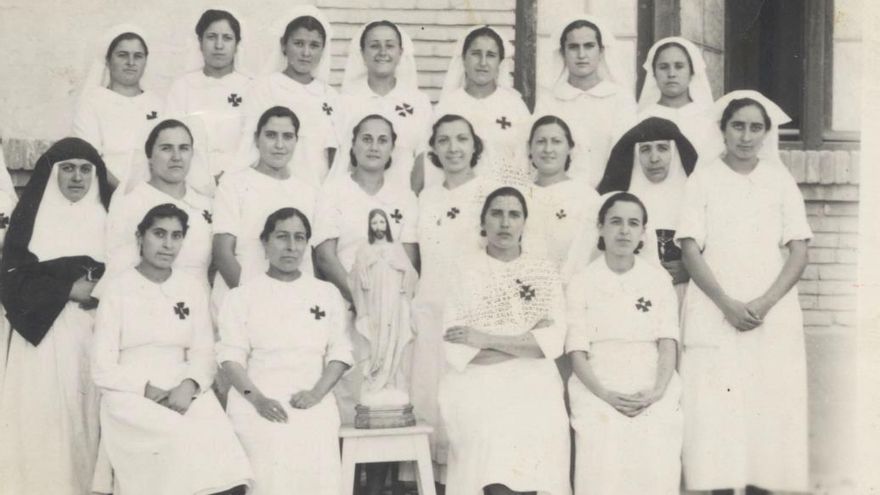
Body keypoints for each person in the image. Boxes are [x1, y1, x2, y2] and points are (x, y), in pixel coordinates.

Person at [676, 91, 812, 494]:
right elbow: (689, 248)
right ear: (723, 130)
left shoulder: (780, 181)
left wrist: (764, 303)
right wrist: (726, 304)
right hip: (716, 307)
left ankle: (761, 486)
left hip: (770, 310)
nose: (746, 136)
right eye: (738, 126)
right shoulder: (703, 179)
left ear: (767, 132)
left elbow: (799, 251)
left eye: (755, 128)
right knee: (716, 408)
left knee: (766, 404)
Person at [92, 204, 252, 495]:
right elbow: (102, 368)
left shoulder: (191, 287)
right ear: (140, 237)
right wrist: (147, 389)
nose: (168, 244)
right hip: (130, 392)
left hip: (183, 385)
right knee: (180, 440)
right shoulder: (118, 288)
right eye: (159, 234)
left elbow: (204, 352)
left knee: (225, 451)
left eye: (176, 236)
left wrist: (189, 385)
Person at [440, 186, 570, 495]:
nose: (505, 223)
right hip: (477, 381)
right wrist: (527, 339)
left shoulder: (543, 271)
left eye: (514, 214)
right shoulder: (463, 271)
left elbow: (552, 343)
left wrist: (483, 338)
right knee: (493, 440)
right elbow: (458, 348)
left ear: (525, 222)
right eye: (496, 213)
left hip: (536, 381)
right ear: (483, 221)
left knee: (539, 435)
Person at [313, 113, 419, 494]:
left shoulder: (404, 197)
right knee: (346, 395)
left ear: (392, 149)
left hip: (390, 314)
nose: (374, 146)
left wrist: (386, 306)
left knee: (383, 394)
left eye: (382, 140)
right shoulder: (334, 192)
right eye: (366, 138)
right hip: (347, 308)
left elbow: (409, 259)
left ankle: (374, 490)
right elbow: (325, 255)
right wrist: (361, 299)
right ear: (353, 144)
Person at [0, 137, 111, 494]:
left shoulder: (111, 219)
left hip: (96, 332)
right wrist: (67, 289)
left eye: (85, 169)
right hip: (43, 337)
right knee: (44, 423)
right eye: (68, 169)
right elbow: (12, 279)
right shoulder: (33, 220)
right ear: (52, 173)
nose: (77, 177)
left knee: (88, 420)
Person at [218, 207, 352, 495]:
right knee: (270, 449)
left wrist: (315, 394)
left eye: (299, 238)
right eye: (281, 237)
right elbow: (230, 359)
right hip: (256, 397)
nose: (291, 246)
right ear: (265, 243)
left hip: (314, 397)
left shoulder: (326, 293)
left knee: (315, 446)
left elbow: (340, 353)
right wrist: (259, 401)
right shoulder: (241, 296)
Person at [566, 191, 681, 495]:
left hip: (651, 380)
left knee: (655, 446)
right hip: (597, 383)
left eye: (633, 223)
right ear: (600, 227)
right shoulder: (581, 282)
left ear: (643, 232)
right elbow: (576, 351)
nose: (624, 231)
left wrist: (657, 392)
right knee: (605, 452)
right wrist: (605, 395)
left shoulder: (658, 280)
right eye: (615, 222)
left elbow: (668, 342)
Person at [410, 114, 497, 484]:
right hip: (430, 308)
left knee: (467, 403)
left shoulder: (489, 192)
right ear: (433, 149)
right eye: (443, 140)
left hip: (471, 311)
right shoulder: (425, 197)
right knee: (431, 397)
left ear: (475, 145)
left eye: (462, 139)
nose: (453, 148)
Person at [213, 105, 317, 312]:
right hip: (242, 298)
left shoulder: (308, 192)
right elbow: (223, 253)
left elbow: (307, 258)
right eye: (271, 135)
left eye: (287, 136)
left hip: (294, 303)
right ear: (256, 139)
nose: (279, 145)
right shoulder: (234, 183)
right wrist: (255, 304)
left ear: (296, 141)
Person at [104, 119, 213, 289]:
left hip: (201, 298)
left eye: (184, 148)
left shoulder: (206, 204)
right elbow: (119, 267)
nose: (176, 157)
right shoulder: (131, 202)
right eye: (166, 148)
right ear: (149, 156)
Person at [598, 116, 698, 300]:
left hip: (688, 294)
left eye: (662, 148)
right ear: (635, 155)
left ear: (675, 153)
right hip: (631, 292)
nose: (654, 158)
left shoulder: (696, 196)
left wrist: (691, 269)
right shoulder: (618, 202)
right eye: (645, 150)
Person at [240, 6, 341, 187]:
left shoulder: (330, 96)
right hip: (274, 184)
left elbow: (335, 153)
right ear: (283, 45)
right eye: (299, 43)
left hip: (318, 186)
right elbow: (250, 144)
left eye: (314, 45)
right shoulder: (265, 88)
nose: (306, 53)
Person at [535, 16, 637, 187]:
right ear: (563, 53)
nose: (581, 55)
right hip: (561, 192)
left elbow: (625, 153)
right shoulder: (549, 100)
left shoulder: (620, 98)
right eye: (573, 47)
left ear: (601, 51)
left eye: (589, 46)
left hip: (610, 192)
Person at [335, 20, 433, 193]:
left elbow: (423, 157)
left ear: (400, 52)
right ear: (363, 53)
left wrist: (408, 199)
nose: (382, 52)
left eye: (389, 46)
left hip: (404, 198)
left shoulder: (419, 101)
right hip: (355, 198)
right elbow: (340, 159)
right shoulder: (345, 101)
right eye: (374, 46)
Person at [434, 26, 532, 185]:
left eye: (491, 55)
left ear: (500, 62)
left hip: (504, 194)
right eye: (476, 54)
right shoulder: (448, 106)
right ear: (464, 59)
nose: (483, 63)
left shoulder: (514, 106)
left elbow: (525, 160)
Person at [165, 9, 253, 184]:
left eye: (227, 38)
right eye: (211, 37)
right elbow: (171, 138)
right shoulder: (182, 87)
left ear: (237, 44)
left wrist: (229, 175)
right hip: (190, 179)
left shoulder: (251, 88)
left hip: (240, 179)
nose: (219, 45)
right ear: (200, 42)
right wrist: (200, 178)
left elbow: (253, 143)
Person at [73, 25, 164, 188]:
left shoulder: (158, 103)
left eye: (138, 56)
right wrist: (124, 194)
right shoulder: (92, 102)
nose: (131, 62)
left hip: (152, 192)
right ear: (108, 61)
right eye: (122, 55)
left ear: (145, 61)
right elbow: (90, 158)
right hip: (106, 189)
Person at [349, 208, 418, 405]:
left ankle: (389, 380)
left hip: (393, 303)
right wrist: (365, 267)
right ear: (369, 226)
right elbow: (353, 278)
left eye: (381, 222)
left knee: (392, 338)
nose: (378, 226)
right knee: (376, 340)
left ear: (387, 224)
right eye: (374, 223)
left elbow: (411, 274)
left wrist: (400, 266)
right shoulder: (364, 249)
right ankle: (375, 378)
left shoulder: (396, 248)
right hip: (374, 303)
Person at [527, 114, 600, 279]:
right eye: (540, 141)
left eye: (556, 141)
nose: (548, 149)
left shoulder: (586, 197)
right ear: (529, 148)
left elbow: (588, 252)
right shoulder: (518, 194)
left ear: (570, 148)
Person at [637, 36, 719, 159]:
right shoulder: (642, 118)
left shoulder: (709, 118)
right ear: (654, 74)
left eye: (679, 66)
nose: (671, 74)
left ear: (692, 72)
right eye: (663, 67)